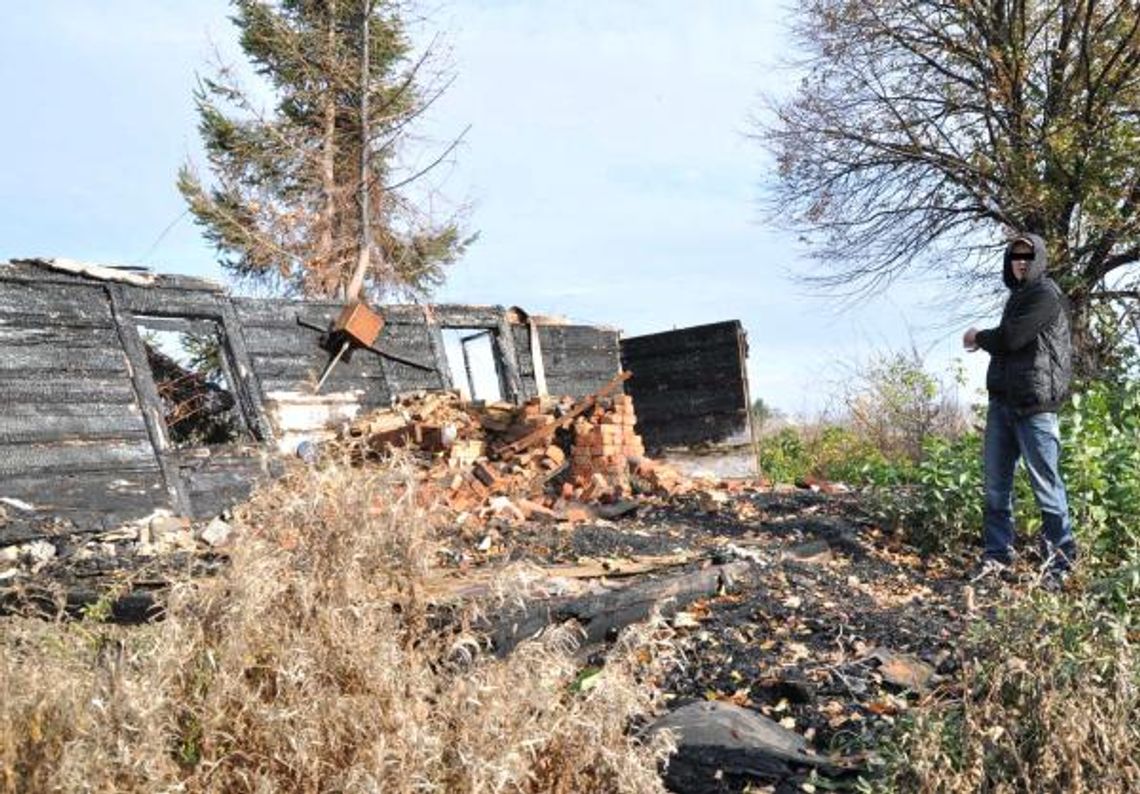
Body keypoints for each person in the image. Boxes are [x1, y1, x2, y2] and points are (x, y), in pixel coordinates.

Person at [963, 233, 1077, 586]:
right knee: (997, 489)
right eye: (1016, 257)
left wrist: (978, 337)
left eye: (1028, 257)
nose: (1021, 262)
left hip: (1035, 409)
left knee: (1048, 488)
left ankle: (1059, 566)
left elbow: (1011, 338)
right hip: (1003, 406)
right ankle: (997, 559)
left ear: (1039, 259)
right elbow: (1011, 342)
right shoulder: (1018, 297)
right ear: (1009, 262)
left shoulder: (1046, 295)